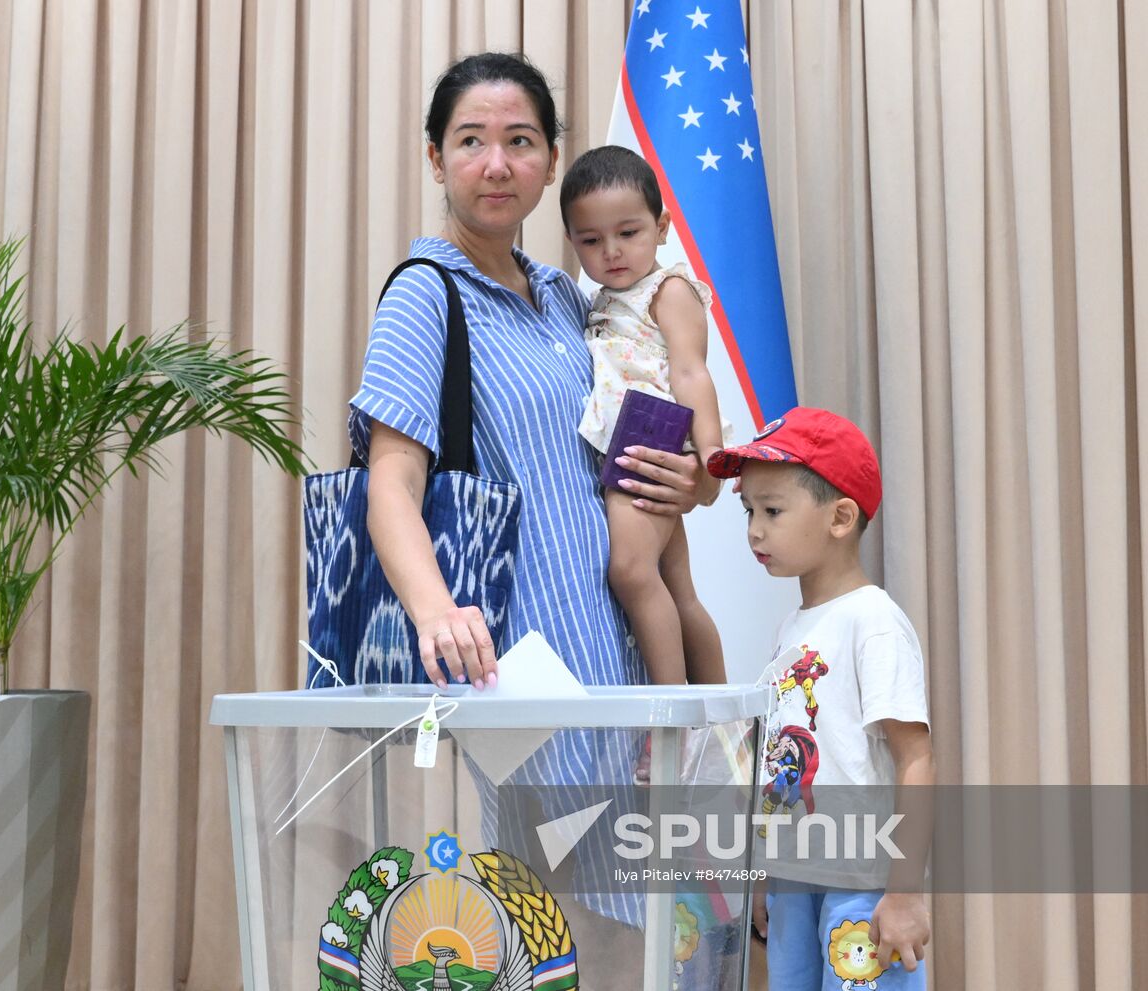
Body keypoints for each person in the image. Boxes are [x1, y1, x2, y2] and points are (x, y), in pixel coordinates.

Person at [348, 52, 711, 941]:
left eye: (520, 141)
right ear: (436, 158)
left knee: (657, 930)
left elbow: (638, 436)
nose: (497, 162)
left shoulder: (568, 296)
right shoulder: (424, 296)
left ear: (552, 160)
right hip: (525, 672)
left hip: (622, 653)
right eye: (471, 141)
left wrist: (690, 481)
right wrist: (436, 613)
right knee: (564, 927)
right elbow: (389, 484)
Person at [706, 407, 934, 990]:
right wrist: (765, 875)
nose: (755, 529)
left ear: (840, 518)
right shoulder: (793, 630)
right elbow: (779, 764)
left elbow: (916, 759)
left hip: (860, 879)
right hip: (791, 882)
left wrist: (905, 894)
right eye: (749, 511)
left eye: (773, 510)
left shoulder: (873, 621)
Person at [560, 144, 726, 689]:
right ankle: (716, 716)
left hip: (651, 438)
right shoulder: (602, 298)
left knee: (631, 572)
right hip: (624, 441)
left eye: (628, 233)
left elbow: (691, 373)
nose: (611, 251)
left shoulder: (669, 289)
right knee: (677, 589)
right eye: (591, 240)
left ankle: (670, 711)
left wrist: (710, 457)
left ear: (661, 227)